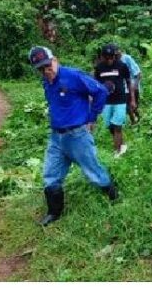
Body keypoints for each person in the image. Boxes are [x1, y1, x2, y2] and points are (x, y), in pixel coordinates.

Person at [28, 46, 118, 227]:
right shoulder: (46, 82)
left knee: (92, 171)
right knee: (50, 174)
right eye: (41, 69)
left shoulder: (73, 76)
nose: (46, 71)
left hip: (77, 136)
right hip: (56, 137)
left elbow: (100, 91)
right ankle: (54, 212)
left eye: (48, 66)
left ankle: (113, 194)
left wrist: (92, 118)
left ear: (55, 60)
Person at [94, 43, 134, 158]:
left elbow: (128, 82)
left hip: (120, 100)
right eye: (106, 57)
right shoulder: (99, 68)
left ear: (114, 56)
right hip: (106, 101)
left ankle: (117, 152)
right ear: (102, 56)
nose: (109, 60)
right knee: (110, 126)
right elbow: (95, 84)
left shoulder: (122, 66)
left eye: (111, 57)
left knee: (117, 126)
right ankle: (122, 145)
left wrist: (132, 99)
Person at [117, 47, 142, 125]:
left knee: (132, 106)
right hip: (123, 86)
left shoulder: (127, 58)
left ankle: (136, 119)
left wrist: (136, 85)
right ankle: (134, 121)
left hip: (132, 85)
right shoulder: (115, 61)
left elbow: (138, 73)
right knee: (126, 106)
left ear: (120, 51)